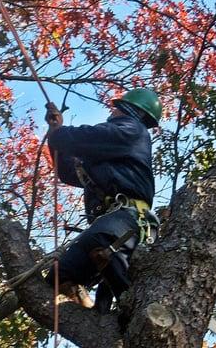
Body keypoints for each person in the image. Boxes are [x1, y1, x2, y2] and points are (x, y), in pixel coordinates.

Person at [44, 88, 162, 315]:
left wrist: (60, 133)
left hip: (126, 220)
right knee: (59, 276)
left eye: (117, 108)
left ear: (128, 110)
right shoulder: (108, 157)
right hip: (108, 225)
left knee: (100, 240)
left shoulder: (132, 130)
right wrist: (54, 132)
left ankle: (133, 306)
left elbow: (89, 138)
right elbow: (69, 172)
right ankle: (95, 311)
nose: (112, 112)